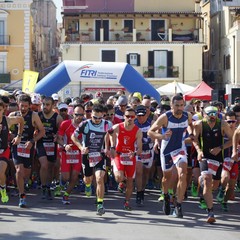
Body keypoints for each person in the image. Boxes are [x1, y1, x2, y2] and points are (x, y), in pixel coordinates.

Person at [148, 94, 193, 218]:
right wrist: (162, 137)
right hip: (167, 150)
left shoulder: (187, 115)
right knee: (166, 178)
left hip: (180, 148)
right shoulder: (165, 117)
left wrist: (191, 134)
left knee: (183, 173)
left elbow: (190, 125)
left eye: (182, 105)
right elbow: (150, 131)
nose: (179, 108)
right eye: (177, 105)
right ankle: (166, 195)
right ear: (171, 105)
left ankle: (178, 204)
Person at [193, 106, 232, 223]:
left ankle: (202, 185)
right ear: (204, 114)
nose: (212, 116)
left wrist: (220, 148)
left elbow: (232, 140)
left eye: (214, 114)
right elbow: (194, 139)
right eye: (210, 114)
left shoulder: (223, 124)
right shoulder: (199, 124)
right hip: (204, 156)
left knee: (214, 185)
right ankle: (211, 212)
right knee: (207, 179)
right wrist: (199, 151)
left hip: (218, 157)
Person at [71, 104, 112, 215]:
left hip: (100, 154)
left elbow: (112, 135)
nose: (97, 120)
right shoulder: (85, 124)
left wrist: (109, 148)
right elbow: (73, 136)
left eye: (100, 118)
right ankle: (88, 185)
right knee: (88, 179)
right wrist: (81, 147)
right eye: (95, 117)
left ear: (103, 116)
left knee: (99, 178)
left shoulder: (107, 124)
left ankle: (100, 204)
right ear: (90, 115)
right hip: (87, 155)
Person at [9, 94, 45, 207]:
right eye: (21, 106)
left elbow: (42, 131)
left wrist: (32, 141)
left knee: (26, 174)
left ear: (29, 106)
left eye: (25, 106)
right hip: (16, 146)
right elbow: (7, 131)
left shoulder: (33, 115)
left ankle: (24, 184)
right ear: (18, 105)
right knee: (19, 170)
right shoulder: (12, 115)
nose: (23, 108)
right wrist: (12, 136)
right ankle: (22, 196)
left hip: (28, 146)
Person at [110, 107, 142, 210]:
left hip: (130, 156)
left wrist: (135, 152)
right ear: (124, 117)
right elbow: (108, 133)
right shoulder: (118, 127)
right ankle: (120, 181)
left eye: (132, 117)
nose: (130, 118)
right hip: (119, 155)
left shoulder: (138, 131)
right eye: (127, 116)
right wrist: (111, 147)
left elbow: (140, 148)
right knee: (119, 177)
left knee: (130, 181)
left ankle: (127, 202)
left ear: (135, 117)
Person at [57, 104, 85, 204]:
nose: (79, 117)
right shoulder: (65, 124)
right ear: (73, 114)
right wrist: (64, 145)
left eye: (81, 115)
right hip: (66, 152)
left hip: (78, 153)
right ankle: (61, 182)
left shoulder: (85, 125)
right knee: (66, 177)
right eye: (77, 114)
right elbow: (58, 138)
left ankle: (66, 195)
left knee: (74, 176)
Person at [37, 96, 63, 200]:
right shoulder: (38, 116)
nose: (45, 107)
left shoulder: (57, 117)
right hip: (41, 143)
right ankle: (43, 187)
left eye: (48, 105)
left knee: (51, 167)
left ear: (53, 105)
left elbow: (61, 132)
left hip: (52, 144)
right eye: (43, 104)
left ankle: (48, 186)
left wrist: (57, 135)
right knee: (44, 165)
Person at [0, 102, 24, 203]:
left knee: (0, 171)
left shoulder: (7, 120)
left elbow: (21, 120)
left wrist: (19, 135)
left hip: (3, 150)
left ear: (3, 110)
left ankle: (3, 188)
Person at [216, 111, 238, 211]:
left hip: (235, 161)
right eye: (229, 121)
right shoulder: (221, 131)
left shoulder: (238, 131)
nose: (231, 124)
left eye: (233, 121)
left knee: (232, 186)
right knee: (225, 178)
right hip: (224, 159)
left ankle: (224, 201)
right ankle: (221, 190)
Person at [134, 105, 154, 205]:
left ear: (146, 114)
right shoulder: (134, 123)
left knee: (146, 173)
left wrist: (152, 140)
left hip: (149, 151)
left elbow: (156, 134)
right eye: (138, 116)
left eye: (143, 115)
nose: (141, 118)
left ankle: (142, 189)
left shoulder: (152, 123)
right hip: (138, 151)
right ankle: (139, 193)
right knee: (138, 171)